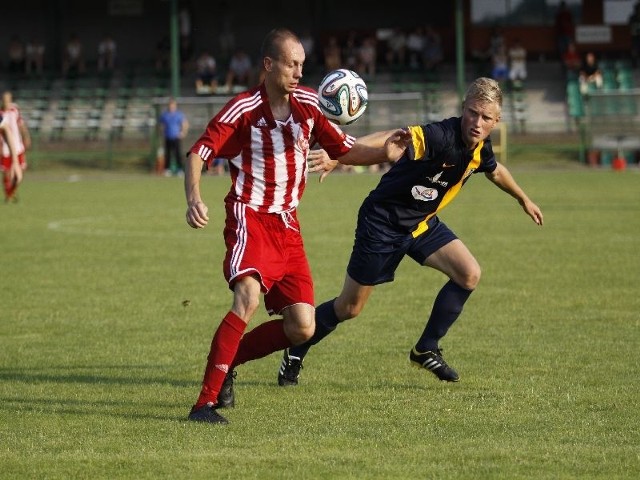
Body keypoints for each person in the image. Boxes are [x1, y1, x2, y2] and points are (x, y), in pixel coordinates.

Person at [183, 27, 410, 425]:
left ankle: (228, 360)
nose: (299, 72)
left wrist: (384, 152)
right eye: (292, 64)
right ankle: (204, 402)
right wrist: (194, 198)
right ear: (269, 65)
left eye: (302, 64)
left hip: (288, 226)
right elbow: (199, 153)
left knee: (302, 327)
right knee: (248, 298)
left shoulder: (310, 105)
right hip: (250, 215)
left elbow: (345, 148)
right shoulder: (242, 108)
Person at [271, 77, 544, 389]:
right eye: (472, 113)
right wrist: (340, 154)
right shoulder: (440, 136)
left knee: (469, 274)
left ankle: (426, 347)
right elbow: (393, 137)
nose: (476, 123)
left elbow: (494, 170)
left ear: (496, 121)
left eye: (485, 118)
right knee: (349, 308)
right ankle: (297, 350)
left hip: (421, 224)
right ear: (463, 109)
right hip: (382, 223)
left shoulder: (481, 147)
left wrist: (524, 198)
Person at [0, 91, 28, 203]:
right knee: (6, 173)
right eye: (4, 99)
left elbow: (6, 129)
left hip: (16, 147)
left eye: (8, 99)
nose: (6, 102)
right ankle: (8, 193)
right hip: (6, 149)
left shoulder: (14, 110)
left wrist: (15, 162)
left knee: (18, 173)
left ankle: (11, 192)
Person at [158, 98, 189, 176]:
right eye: (170, 105)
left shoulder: (179, 114)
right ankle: (167, 169)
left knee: (178, 153)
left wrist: (183, 133)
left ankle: (179, 169)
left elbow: (184, 124)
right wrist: (162, 132)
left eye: (173, 105)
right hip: (168, 137)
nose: (171, 107)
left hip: (176, 137)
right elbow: (161, 125)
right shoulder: (165, 115)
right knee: (168, 154)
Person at [629, 2, 640, 68]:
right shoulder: (632, 18)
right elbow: (631, 28)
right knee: (634, 53)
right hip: (635, 39)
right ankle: (634, 67)